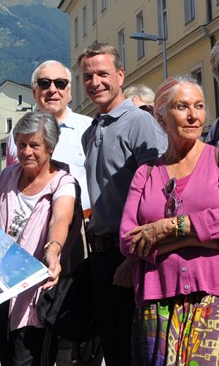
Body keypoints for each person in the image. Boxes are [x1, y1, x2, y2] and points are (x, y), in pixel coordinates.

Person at [120, 77, 219, 365]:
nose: (194, 116)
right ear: (161, 116)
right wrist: (201, 237)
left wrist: (168, 228)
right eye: (182, 107)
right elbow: (129, 240)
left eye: (199, 106)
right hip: (158, 297)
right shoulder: (146, 173)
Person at [77, 42, 167, 366]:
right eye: (88, 76)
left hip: (131, 255)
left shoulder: (140, 123)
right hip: (102, 257)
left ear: (120, 74)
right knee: (115, 353)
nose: (95, 82)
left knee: (139, 354)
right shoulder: (91, 131)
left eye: (103, 73)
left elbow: (160, 191)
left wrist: (135, 256)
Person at [0, 112, 78, 366]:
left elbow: (60, 218)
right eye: (21, 145)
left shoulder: (63, 183)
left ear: (51, 147)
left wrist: (53, 250)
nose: (27, 152)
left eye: (35, 145)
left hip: (32, 296)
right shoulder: (9, 175)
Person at [5, 60, 93, 210]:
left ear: (69, 92)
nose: (53, 90)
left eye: (60, 83)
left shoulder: (89, 128)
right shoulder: (17, 133)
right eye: (44, 83)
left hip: (80, 223)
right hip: (27, 224)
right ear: (34, 92)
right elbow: (11, 178)